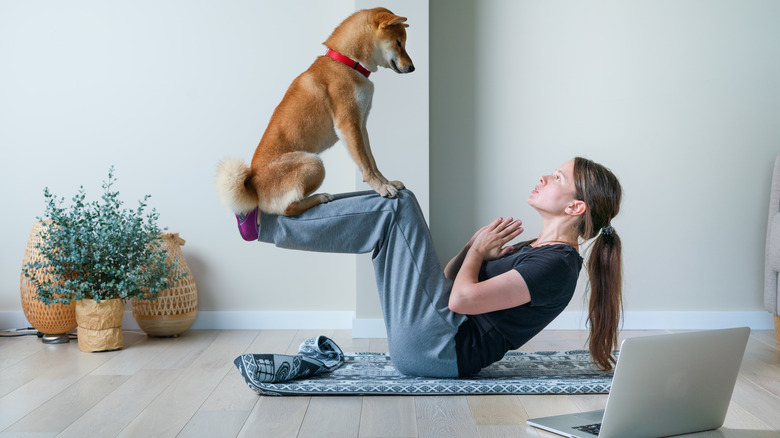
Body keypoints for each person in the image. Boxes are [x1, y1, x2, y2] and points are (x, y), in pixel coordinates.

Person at [236, 157, 622, 378]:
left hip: (441, 351)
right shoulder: (538, 249)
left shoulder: (556, 265)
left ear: (575, 208)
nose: (543, 176)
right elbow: (450, 281)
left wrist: (477, 254)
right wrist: (473, 248)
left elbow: (462, 301)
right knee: (392, 209)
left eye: (557, 178)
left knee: (398, 204)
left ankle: (267, 222)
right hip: (434, 340)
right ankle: (270, 219)